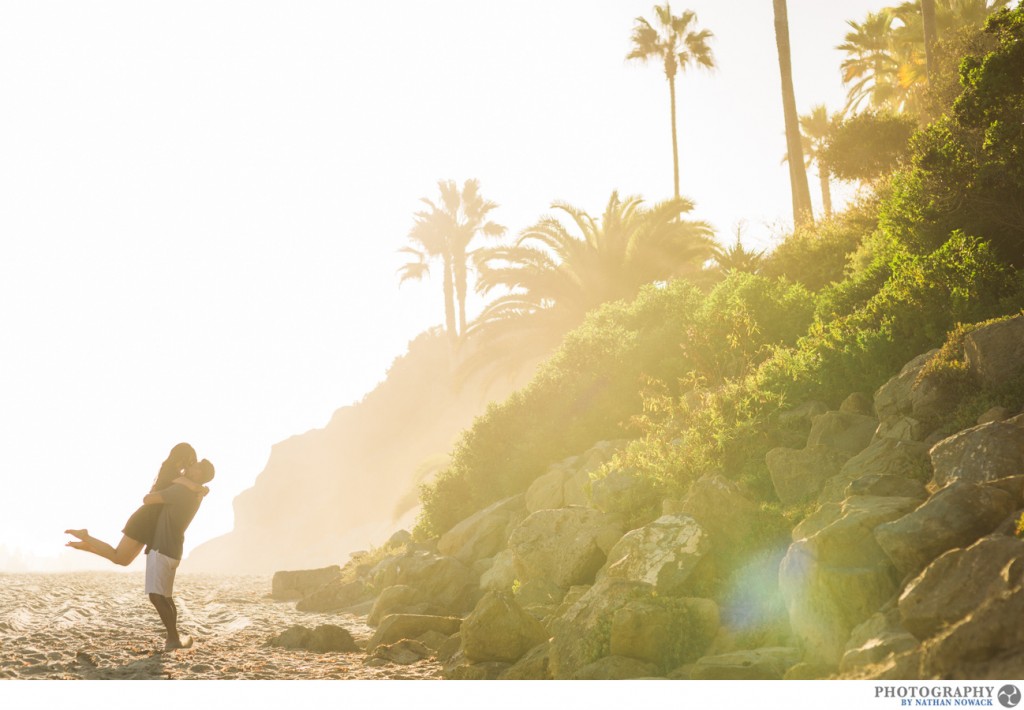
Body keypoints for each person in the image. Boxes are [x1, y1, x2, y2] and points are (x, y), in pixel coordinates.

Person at [65, 443, 208, 565]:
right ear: (182, 457)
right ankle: (86, 537)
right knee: (119, 557)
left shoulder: (171, 471)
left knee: (123, 560)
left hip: (151, 521)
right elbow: (192, 486)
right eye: (190, 460)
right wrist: (203, 488)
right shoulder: (173, 474)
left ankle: (88, 545)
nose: (191, 464)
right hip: (145, 519)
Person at [143, 457, 215, 650]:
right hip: (173, 549)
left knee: (156, 597)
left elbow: (148, 499)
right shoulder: (194, 493)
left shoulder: (182, 491)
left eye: (197, 467)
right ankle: (174, 638)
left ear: (202, 477)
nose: (192, 466)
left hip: (162, 547)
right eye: (194, 464)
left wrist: (179, 480)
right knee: (165, 596)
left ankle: (173, 638)